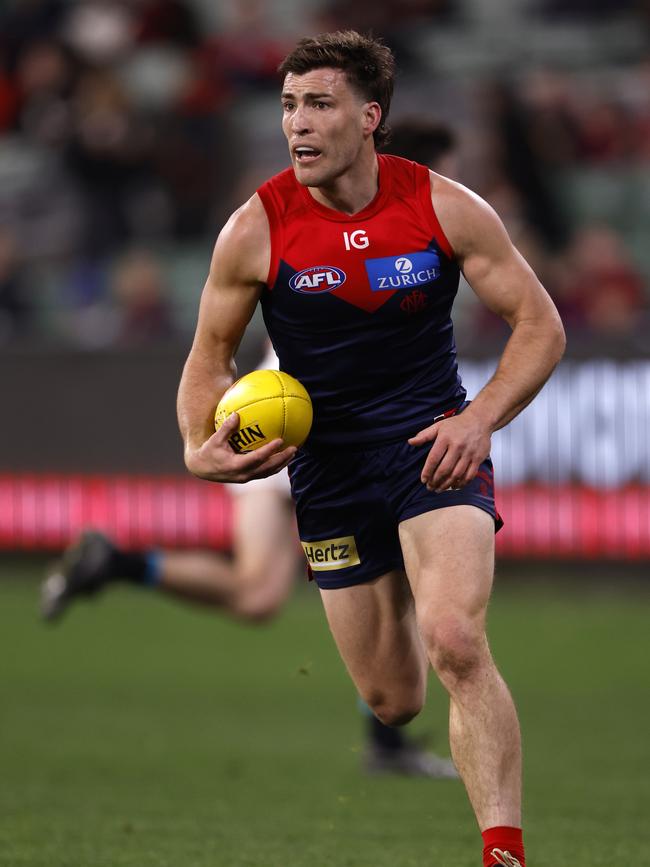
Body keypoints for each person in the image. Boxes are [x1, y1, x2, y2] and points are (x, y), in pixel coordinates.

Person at [173, 31, 565, 867]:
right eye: (287, 106)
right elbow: (209, 358)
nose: (297, 125)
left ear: (368, 117)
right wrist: (194, 446)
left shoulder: (445, 206)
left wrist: (480, 419)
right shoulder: (256, 227)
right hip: (329, 469)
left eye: (318, 104)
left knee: (456, 636)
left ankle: (504, 850)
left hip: (433, 445)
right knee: (392, 700)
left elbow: (541, 325)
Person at [41, 116, 464, 780]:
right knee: (371, 571)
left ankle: (118, 562)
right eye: (444, 169)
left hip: (280, 421)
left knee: (259, 592)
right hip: (306, 435)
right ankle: (385, 735)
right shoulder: (381, 232)